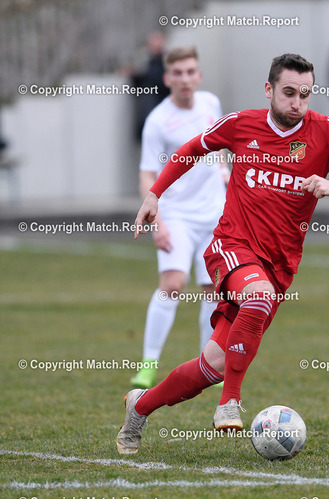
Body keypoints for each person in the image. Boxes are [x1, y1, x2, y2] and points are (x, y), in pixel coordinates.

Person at [116, 53, 329, 454]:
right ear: (269, 90)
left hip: (279, 266)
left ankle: (140, 407)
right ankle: (230, 402)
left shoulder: (328, 131)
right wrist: (155, 194)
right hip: (231, 245)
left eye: (305, 94)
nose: (297, 102)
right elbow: (191, 149)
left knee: (212, 366)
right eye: (289, 92)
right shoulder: (241, 124)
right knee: (257, 297)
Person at [129, 46, 228, 389]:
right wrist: (157, 222)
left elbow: (220, 146)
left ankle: (208, 365)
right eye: (178, 73)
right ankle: (148, 365)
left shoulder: (211, 104)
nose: (185, 79)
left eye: (190, 72)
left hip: (214, 215)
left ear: (198, 75)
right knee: (172, 285)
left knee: (213, 289)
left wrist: (224, 171)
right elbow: (147, 174)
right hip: (177, 216)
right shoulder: (158, 120)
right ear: (167, 78)